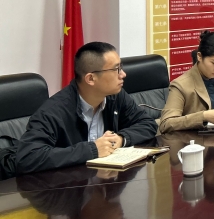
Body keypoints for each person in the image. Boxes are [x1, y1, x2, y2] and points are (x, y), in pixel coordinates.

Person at [15, 42, 157, 174]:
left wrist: (120, 139)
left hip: (104, 182)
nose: (123, 74)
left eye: (121, 67)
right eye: (116, 69)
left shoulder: (115, 97)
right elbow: (28, 157)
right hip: (66, 188)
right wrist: (92, 150)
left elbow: (147, 123)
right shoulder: (54, 111)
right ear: (90, 79)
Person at [158, 31, 214, 133]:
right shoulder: (180, 85)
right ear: (200, 56)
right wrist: (203, 116)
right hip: (192, 140)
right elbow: (166, 124)